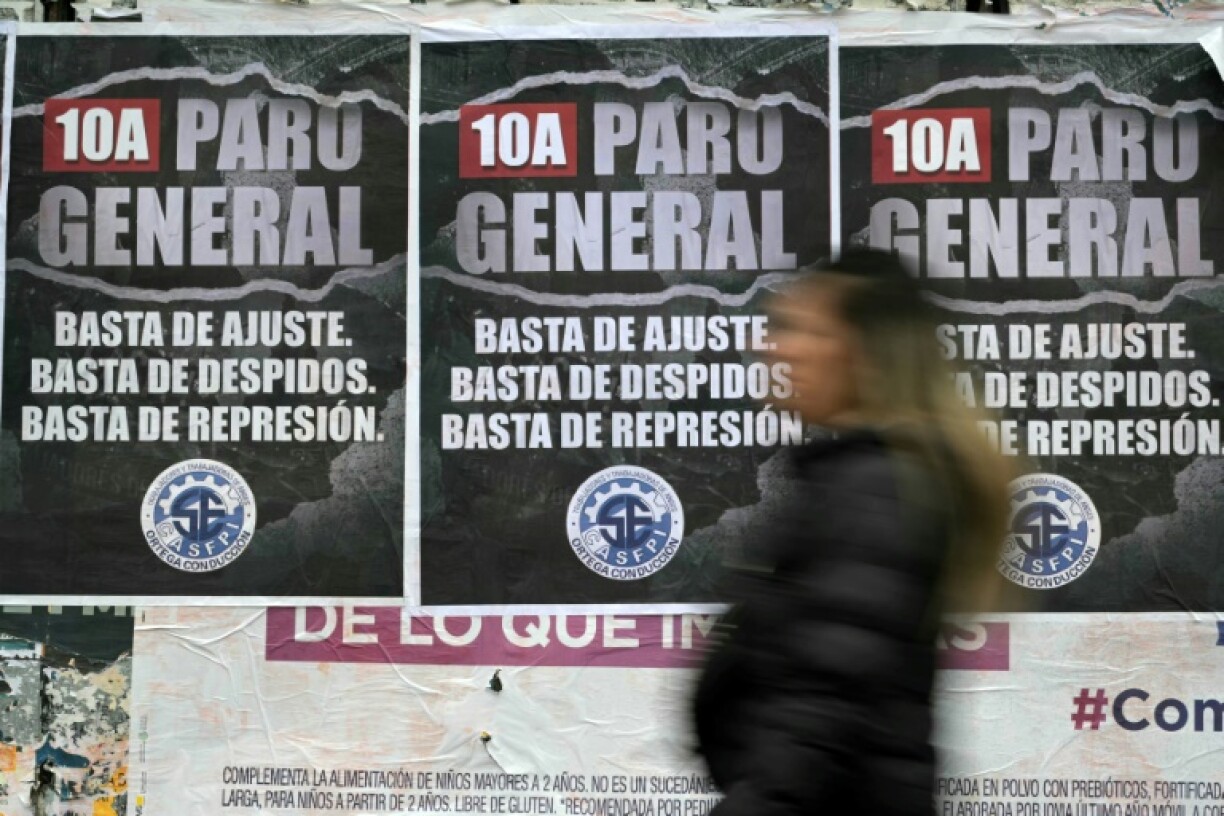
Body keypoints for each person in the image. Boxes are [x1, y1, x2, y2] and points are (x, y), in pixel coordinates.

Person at [692, 249, 1014, 816]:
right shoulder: (861, 478)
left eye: (800, 329)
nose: (774, 346)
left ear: (861, 355)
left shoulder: (876, 487)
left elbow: (821, 714)